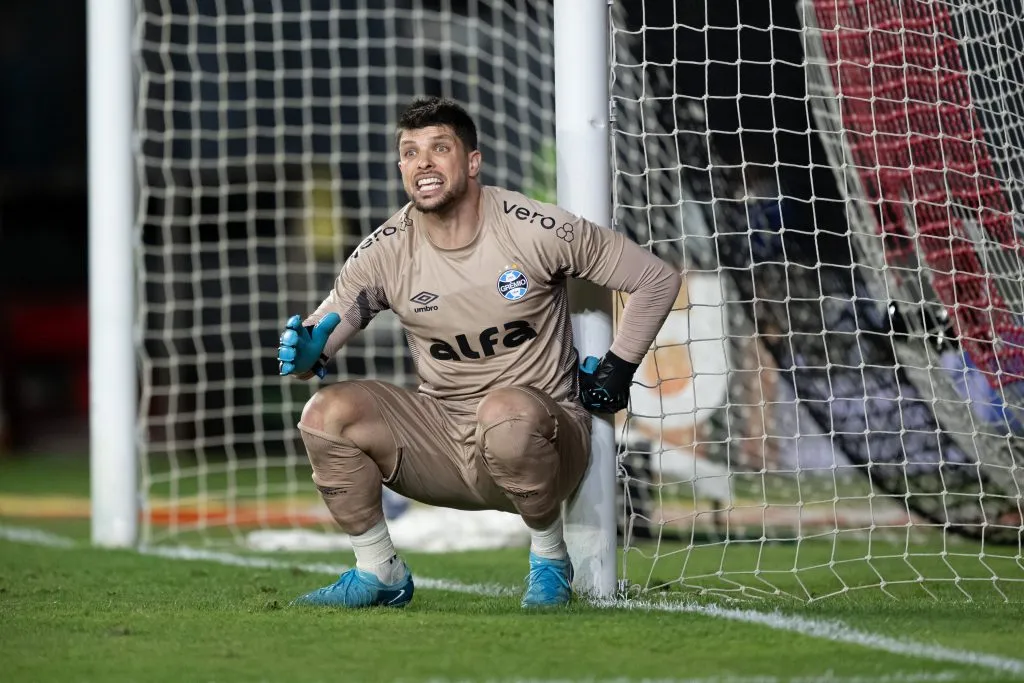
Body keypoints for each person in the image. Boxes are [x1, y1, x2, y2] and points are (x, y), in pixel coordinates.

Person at [277, 96, 681, 609]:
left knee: (503, 414)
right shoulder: (385, 251)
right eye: (409, 152)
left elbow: (655, 278)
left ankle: (550, 558)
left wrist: (618, 369)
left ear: (471, 162)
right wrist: (306, 352)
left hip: (539, 438)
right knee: (325, 414)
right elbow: (324, 331)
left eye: (438, 148)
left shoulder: (533, 228)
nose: (422, 162)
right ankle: (379, 571)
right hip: (443, 437)